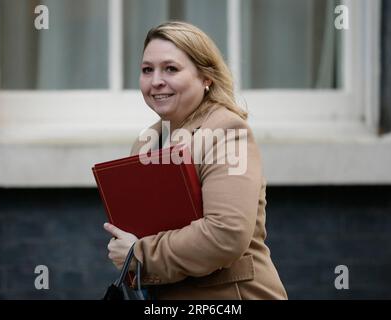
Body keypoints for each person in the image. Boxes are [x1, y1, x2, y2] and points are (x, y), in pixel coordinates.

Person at [104, 21, 287, 300]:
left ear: (206, 77)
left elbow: (226, 233)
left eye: (171, 69)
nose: (156, 81)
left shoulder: (227, 131)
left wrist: (139, 253)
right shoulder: (147, 140)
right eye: (147, 70)